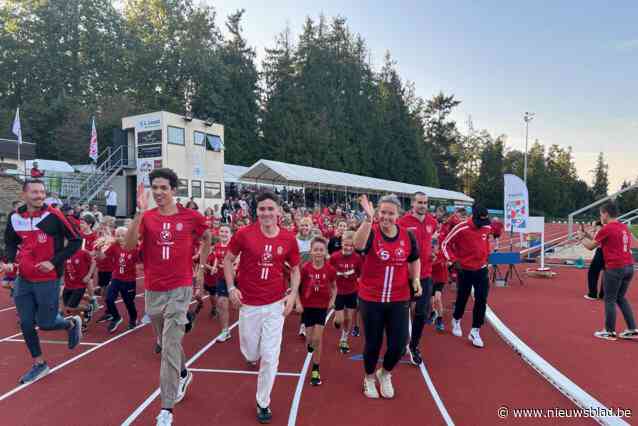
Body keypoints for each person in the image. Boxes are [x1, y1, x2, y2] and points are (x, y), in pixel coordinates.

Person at [124, 169, 211, 426]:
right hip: (154, 289)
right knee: (164, 342)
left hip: (180, 288)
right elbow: (129, 246)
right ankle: (183, 373)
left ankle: (166, 409)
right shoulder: (148, 218)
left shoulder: (191, 216)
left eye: (164, 187)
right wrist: (138, 214)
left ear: (174, 190)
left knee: (170, 346)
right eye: (155, 188)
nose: (159, 192)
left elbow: (207, 237)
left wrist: (201, 269)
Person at [223, 192, 301, 424]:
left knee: (270, 356)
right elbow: (228, 259)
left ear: (278, 211)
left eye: (270, 209)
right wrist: (230, 288)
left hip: (275, 304)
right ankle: (251, 355)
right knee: (251, 352)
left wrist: (293, 295)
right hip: (249, 304)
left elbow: (296, 269)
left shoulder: (288, 238)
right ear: (256, 211)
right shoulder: (244, 234)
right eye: (262, 209)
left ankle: (263, 401)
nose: (266, 213)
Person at [1, 179, 83, 385]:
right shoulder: (15, 217)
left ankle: (70, 323)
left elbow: (76, 241)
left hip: (48, 278)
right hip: (24, 279)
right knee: (26, 322)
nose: (39, 196)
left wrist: (53, 261)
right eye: (35, 192)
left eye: (42, 192)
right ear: (23, 195)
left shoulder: (53, 215)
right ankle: (39, 364)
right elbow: (10, 241)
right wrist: (10, 260)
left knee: (45, 323)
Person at [353, 194, 421, 399]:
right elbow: (357, 245)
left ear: (398, 215)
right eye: (382, 212)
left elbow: (414, 260)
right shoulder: (371, 232)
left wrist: (416, 278)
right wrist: (368, 218)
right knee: (373, 343)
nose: (386, 217)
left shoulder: (407, 236)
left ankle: (385, 373)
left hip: (398, 299)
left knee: (400, 344)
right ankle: (369, 377)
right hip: (371, 299)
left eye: (390, 213)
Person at [579, 202, 637, 340]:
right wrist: (587, 235)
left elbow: (590, 247)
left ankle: (609, 331)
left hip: (615, 267)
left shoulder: (607, 228)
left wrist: (581, 237)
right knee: (621, 298)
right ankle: (632, 328)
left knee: (609, 299)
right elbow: (601, 241)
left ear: (605, 214)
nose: (600, 217)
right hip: (629, 266)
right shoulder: (624, 227)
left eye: (601, 214)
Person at [441, 204, 492, 348]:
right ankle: (456, 319)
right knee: (462, 297)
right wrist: (453, 260)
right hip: (464, 269)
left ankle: (475, 330)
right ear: (473, 217)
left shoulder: (487, 227)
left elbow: (486, 242)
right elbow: (445, 244)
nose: (482, 225)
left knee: (481, 299)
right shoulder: (461, 228)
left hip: (481, 269)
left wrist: (486, 257)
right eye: (480, 222)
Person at [398, 191, 437, 366]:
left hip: (426, 274)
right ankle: (400, 343)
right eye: (420, 202)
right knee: (400, 312)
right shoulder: (403, 222)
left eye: (425, 202)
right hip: (405, 274)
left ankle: (413, 345)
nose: (423, 205)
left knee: (421, 311)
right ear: (412, 204)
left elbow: (431, 241)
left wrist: (432, 253)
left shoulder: (431, 222)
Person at [298, 237, 337, 386]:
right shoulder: (305, 268)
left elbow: (334, 287)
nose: (318, 253)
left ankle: (315, 368)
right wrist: (298, 303)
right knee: (309, 340)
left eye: (321, 250)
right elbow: (296, 288)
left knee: (317, 339)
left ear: (326, 252)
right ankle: (311, 345)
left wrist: (333, 300)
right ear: (311, 251)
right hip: (307, 308)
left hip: (322, 308)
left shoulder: (330, 270)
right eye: (316, 250)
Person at [98, 227, 140, 332]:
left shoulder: (134, 247)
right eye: (118, 235)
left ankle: (133, 319)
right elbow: (102, 257)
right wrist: (99, 249)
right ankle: (116, 317)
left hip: (129, 280)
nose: (120, 238)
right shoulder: (114, 246)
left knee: (129, 302)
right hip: (116, 278)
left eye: (122, 235)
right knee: (109, 299)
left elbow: (142, 261)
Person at [329, 230, 362, 353]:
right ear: (342, 243)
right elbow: (329, 272)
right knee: (339, 320)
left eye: (351, 246)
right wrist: (338, 274)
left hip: (352, 291)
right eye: (346, 245)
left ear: (354, 246)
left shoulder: (357, 258)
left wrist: (353, 276)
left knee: (348, 318)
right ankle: (336, 320)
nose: (348, 248)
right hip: (338, 292)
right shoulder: (334, 257)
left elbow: (360, 274)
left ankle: (344, 338)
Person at [206, 224, 233, 341]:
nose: (223, 234)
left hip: (236, 278)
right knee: (222, 302)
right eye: (222, 231)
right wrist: (214, 267)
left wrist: (231, 267)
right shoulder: (217, 246)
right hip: (221, 278)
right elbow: (217, 257)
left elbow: (238, 259)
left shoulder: (234, 246)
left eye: (226, 232)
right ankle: (225, 331)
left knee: (243, 305)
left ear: (231, 234)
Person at [584, 222, 605, 300]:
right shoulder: (603, 230)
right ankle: (603, 294)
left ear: (597, 225)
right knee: (606, 274)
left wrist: (582, 238)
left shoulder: (600, 230)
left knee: (593, 272)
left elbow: (592, 244)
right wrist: (587, 234)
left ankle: (592, 294)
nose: (592, 227)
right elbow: (594, 239)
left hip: (601, 252)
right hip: (607, 252)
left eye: (593, 225)